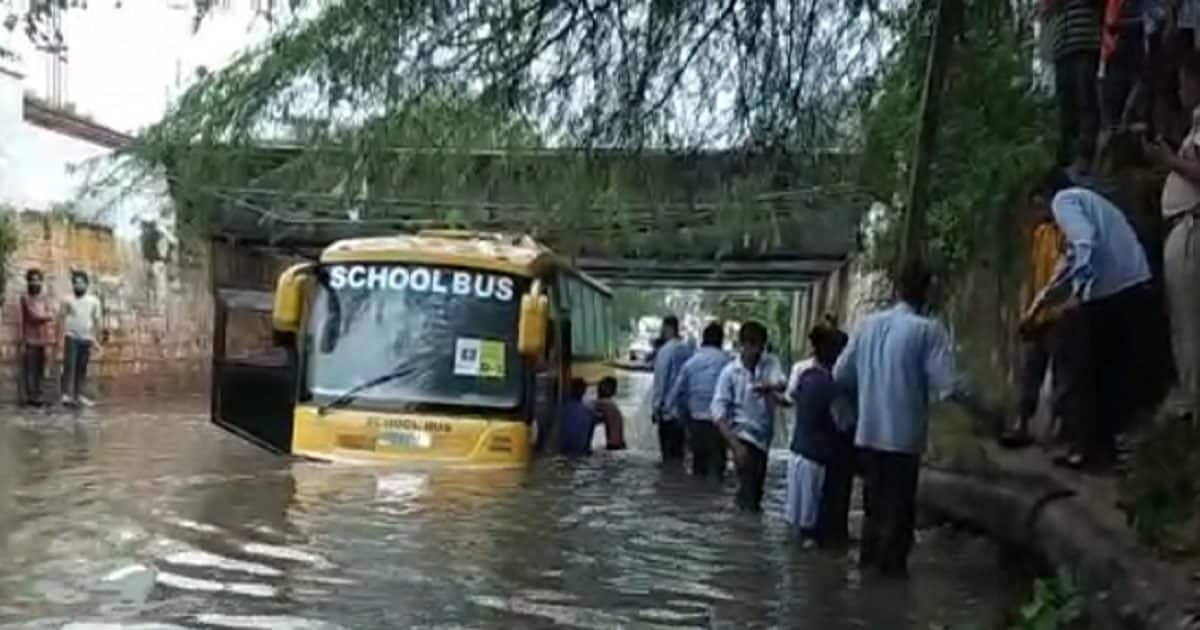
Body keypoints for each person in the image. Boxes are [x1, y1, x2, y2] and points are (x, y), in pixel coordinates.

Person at [835, 262, 989, 577]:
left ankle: (866, 590)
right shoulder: (927, 330)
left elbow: (840, 373)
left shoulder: (867, 326)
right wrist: (985, 406)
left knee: (873, 514)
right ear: (927, 292)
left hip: (868, 436)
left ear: (897, 289)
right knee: (898, 517)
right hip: (902, 441)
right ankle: (889, 593)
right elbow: (948, 384)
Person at [1023, 169, 1154, 470]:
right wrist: (1038, 305)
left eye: (1037, 205)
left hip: (1113, 291)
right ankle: (1102, 450)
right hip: (1130, 286)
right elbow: (1069, 262)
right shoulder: (1088, 202)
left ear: (1045, 197)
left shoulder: (1065, 201)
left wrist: (1078, 293)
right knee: (1105, 372)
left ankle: (1086, 450)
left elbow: (1086, 243)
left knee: (1086, 371)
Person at [1145, 50, 1200, 419]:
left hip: (1191, 228)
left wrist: (1167, 160)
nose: (1180, 91)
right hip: (1185, 228)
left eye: (1184, 82)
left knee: (1190, 327)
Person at [1002, 212, 1068, 448]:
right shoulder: (1041, 233)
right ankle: (1022, 422)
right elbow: (1031, 276)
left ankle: (1058, 431)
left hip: (1061, 313)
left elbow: (1060, 278)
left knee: (1062, 373)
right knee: (1031, 369)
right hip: (1039, 315)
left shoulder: (1067, 233)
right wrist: (1026, 311)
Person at [785, 324, 852, 548]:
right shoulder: (831, 386)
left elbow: (793, 399)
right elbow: (843, 424)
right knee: (813, 531)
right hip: (816, 462)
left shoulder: (806, 376)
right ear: (835, 353)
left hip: (797, 456)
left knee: (798, 527)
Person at [712, 321, 787, 512]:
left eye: (759, 346)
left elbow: (782, 383)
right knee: (749, 491)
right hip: (743, 436)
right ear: (741, 345)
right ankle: (745, 532)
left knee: (755, 492)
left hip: (763, 439)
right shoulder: (729, 373)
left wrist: (767, 387)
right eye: (751, 345)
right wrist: (736, 446)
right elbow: (718, 413)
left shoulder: (770, 363)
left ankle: (744, 528)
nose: (755, 352)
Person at [667, 322, 732, 478]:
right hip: (719, 424)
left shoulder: (691, 363)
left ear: (703, 339)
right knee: (717, 470)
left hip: (696, 423)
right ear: (721, 341)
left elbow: (675, 393)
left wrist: (674, 415)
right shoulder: (728, 363)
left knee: (698, 467)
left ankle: (697, 496)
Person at [651, 314, 693, 464]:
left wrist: (656, 408)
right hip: (683, 413)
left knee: (667, 458)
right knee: (680, 456)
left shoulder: (665, 351)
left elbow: (660, 381)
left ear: (667, 328)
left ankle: (669, 483)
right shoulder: (687, 350)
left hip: (667, 413)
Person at [59, 270, 102, 407]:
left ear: (86, 285)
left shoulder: (93, 301)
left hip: (86, 338)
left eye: (81, 283)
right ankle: (66, 395)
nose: (78, 286)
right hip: (71, 336)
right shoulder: (67, 299)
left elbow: (96, 322)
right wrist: (59, 338)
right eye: (76, 283)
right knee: (69, 365)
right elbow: (61, 318)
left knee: (81, 367)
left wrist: (96, 340)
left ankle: (78, 395)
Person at [19, 269, 53, 407]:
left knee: (41, 369)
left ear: (41, 281)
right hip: (30, 339)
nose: (35, 282)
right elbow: (33, 317)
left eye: (37, 280)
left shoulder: (45, 298)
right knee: (30, 370)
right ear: (28, 282)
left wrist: (47, 316)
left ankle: (39, 396)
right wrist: (47, 316)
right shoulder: (25, 298)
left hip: (43, 339)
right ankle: (30, 397)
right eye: (32, 280)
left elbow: (51, 312)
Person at [559, 378, 595, 456]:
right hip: (580, 453)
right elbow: (588, 442)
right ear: (584, 392)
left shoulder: (561, 409)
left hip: (564, 452)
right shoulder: (588, 412)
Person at [592, 376, 627, 450]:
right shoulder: (612, 405)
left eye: (599, 387)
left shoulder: (603, 403)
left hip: (613, 447)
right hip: (621, 445)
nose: (597, 389)